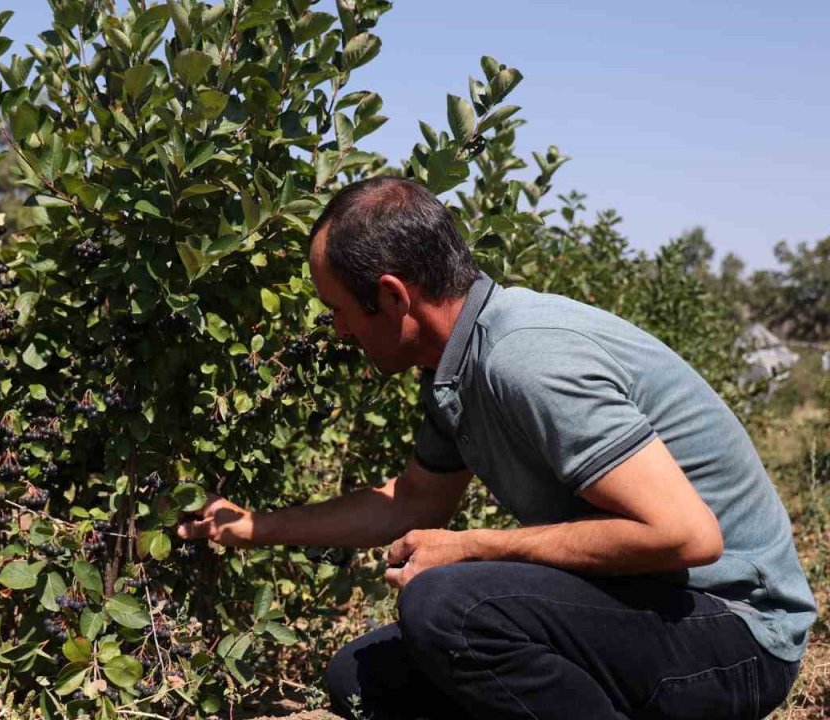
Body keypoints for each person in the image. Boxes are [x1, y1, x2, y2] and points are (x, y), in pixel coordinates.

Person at [175, 176, 815, 720]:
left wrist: (471, 545)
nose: (337, 329)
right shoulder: (457, 367)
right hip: (654, 605)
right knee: (363, 679)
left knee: (447, 606)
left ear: (395, 296)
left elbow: (685, 536)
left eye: (339, 309)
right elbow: (412, 503)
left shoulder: (522, 358)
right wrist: (255, 526)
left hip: (737, 632)